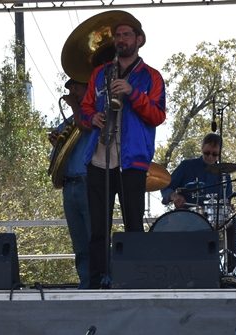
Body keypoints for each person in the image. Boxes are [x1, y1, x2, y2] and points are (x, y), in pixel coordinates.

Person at [79, 13, 166, 288]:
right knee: (98, 229)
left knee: (133, 227)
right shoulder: (100, 73)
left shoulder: (152, 76)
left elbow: (157, 116)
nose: (121, 39)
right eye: (118, 35)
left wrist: (132, 93)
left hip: (131, 161)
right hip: (99, 158)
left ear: (139, 40)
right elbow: (85, 109)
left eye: (126, 35)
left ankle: (135, 281)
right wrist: (91, 118)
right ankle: (96, 283)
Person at [161, 132, 236, 272]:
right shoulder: (187, 166)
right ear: (201, 148)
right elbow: (165, 185)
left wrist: (228, 206)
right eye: (207, 152)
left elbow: (227, 199)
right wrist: (174, 196)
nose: (210, 157)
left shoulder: (224, 174)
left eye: (214, 154)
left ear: (219, 153)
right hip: (188, 214)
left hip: (213, 218)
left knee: (233, 222)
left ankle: (231, 269)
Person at [50, 78, 95, 288]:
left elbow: (84, 125)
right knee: (79, 242)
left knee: (95, 238)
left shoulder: (91, 117)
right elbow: (56, 159)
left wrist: (76, 105)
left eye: (76, 86)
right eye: (70, 88)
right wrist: (56, 143)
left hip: (88, 183)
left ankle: (101, 281)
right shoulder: (68, 122)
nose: (72, 91)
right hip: (69, 186)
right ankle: (85, 282)